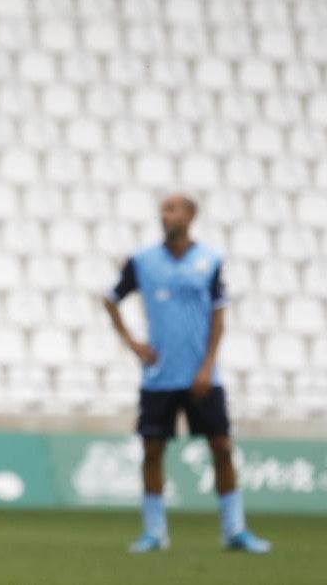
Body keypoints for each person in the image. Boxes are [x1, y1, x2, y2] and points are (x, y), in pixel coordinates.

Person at [103, 193, 271, 554]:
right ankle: (154, 533)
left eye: (173, 209)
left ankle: (235, 529)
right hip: (159, 376)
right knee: (152, 451)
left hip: (202, 376)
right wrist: (133, 344)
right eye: (163, 209)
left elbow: (219, 316)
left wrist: (207, 366)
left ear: (191, 215)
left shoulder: (209, 261)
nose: (165, 216)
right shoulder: (143, 261)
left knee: (222, 447)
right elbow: (110, 298)